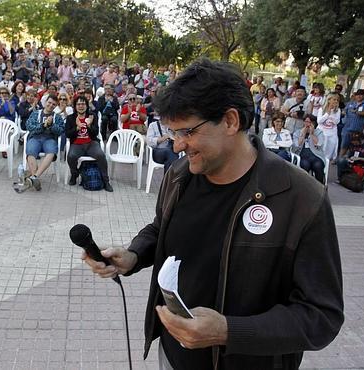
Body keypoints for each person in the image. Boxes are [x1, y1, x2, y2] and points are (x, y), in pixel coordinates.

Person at [82, 59, 343, 370]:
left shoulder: (302, 198)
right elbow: (160, 228)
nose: (177, 145)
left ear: (230, 121)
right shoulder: (180, 175)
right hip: (173, 356)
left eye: (187, 132)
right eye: (173, 132)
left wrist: (228, 332)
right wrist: (133, 256)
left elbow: (321, 316)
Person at [65, 95, 113, 192]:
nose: (81, 106)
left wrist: (89, 125)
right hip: (77, 144)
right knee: (71, 156)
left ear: (86, 106)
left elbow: (95, 133)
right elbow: (68, 134)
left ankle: (106, 181)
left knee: (100, 155)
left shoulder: (92, 116)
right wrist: (77, 128)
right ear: (75, 106)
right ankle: (74, 174)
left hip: (91, 143)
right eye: (78, 104)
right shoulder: (71, 118)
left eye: (83, 104)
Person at [24, 94, 65, 191]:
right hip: (36, 138)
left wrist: (51, 125)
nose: (51, 105)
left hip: (49, 139)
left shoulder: (57, 117)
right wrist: (42, 125)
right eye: (49, 102)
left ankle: (34, 177)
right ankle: (35, 179)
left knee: (51, 152)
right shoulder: (35, 113)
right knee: (30, 151)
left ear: (56, 106)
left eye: (54, 104)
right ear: (45, 102)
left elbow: (60, 131)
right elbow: (29, 126)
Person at [293, 114, 326, 183]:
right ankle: (305, 186)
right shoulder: (297, 132)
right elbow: (296, 146)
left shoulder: (319, 132)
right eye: (306, 122)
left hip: (316, 155)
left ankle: (320, 187)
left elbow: (319, 144)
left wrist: (311, 134)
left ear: (313, 123)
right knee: (305, 165)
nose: (307, 124)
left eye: (310, 122)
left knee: (318, 165)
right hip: (303, 155)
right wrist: (302, 135)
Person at [316, 93, 341, 162]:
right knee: (321, 151)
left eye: (337, 100)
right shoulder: (321, 109)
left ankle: (326, 168)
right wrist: (328, 113)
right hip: (322, 133)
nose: (336, 101)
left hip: (332, 134)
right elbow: (319, 121)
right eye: (334, 99)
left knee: (329, 153)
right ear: (329, 100)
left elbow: (337, 122)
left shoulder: (338, 110)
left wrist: (332, 116)